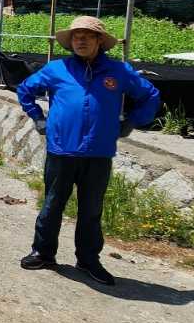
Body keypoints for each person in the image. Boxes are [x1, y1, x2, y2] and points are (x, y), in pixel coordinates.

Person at [17, 16, 159, 286]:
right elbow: (25, 90)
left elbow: (150, 95)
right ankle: (43, 253)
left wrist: (132, 121)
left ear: (99, 41)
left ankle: (88, 260)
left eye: (87, 36)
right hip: (62, 150)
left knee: (91, 209)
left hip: (98, 152)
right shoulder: (56, 69)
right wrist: (37, 117)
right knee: (52, 204)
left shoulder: (118, 71)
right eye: (76, 36)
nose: (80, 40)